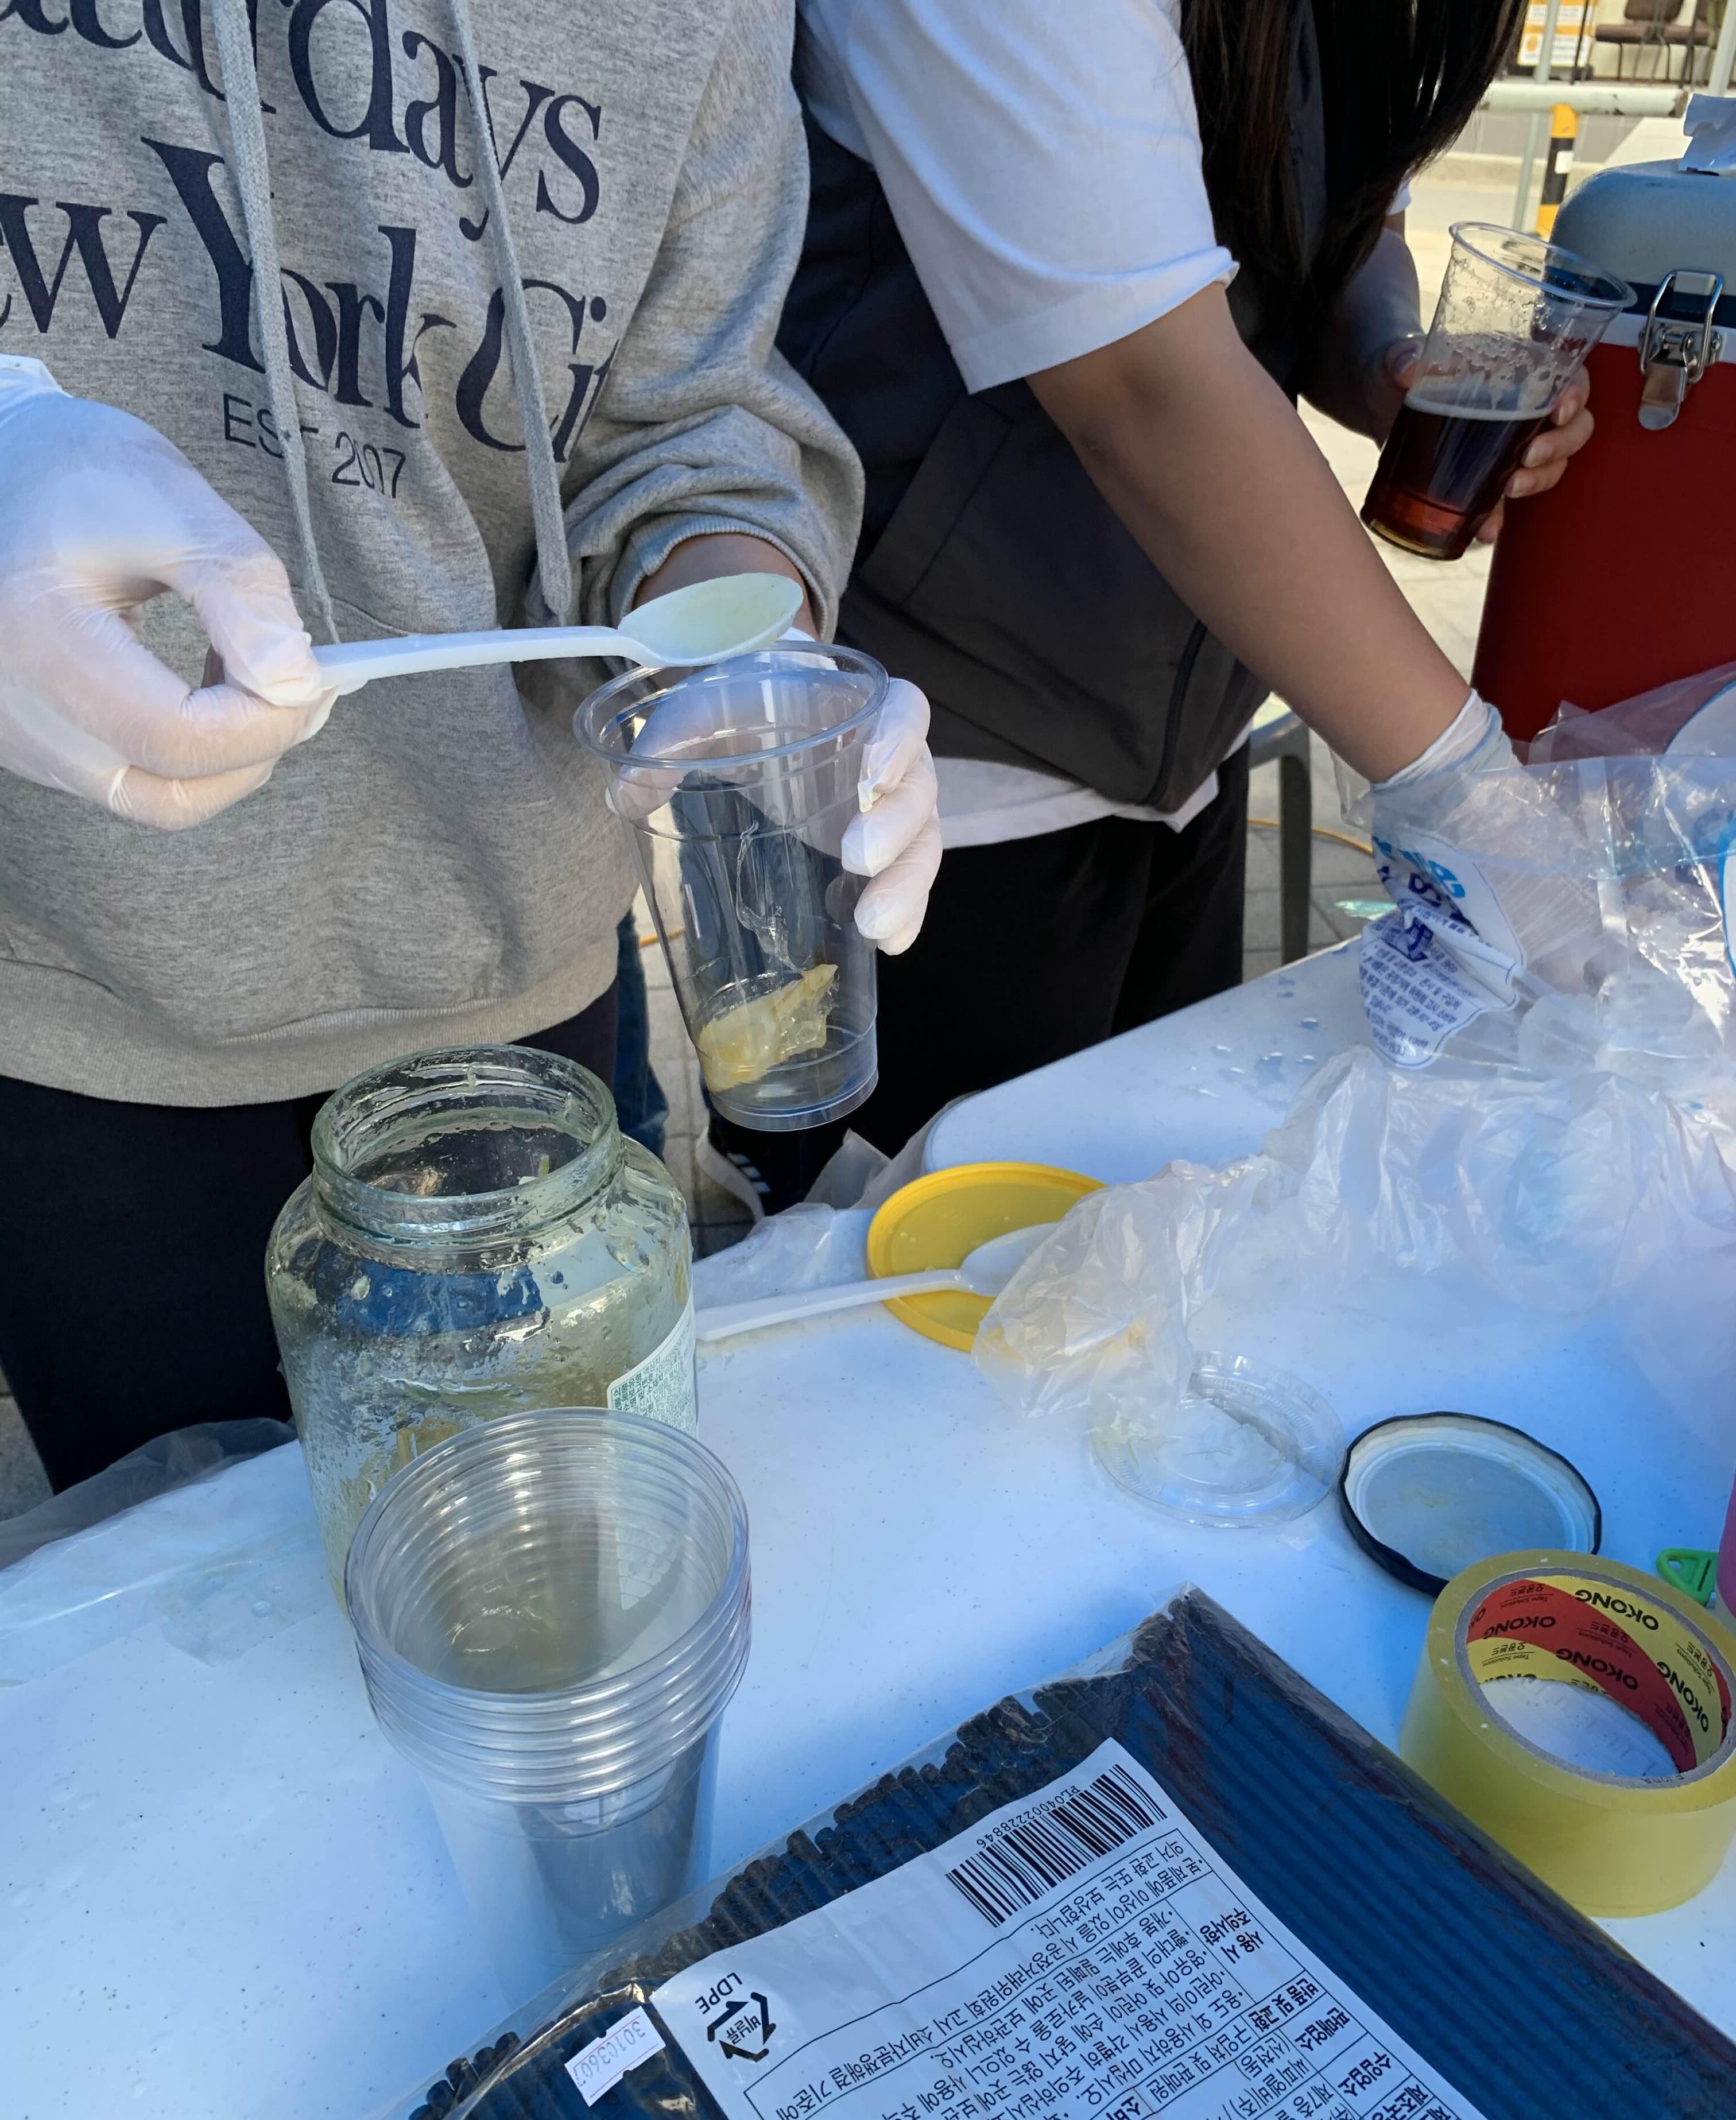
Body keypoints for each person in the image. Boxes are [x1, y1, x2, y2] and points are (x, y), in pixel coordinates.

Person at [0, 0, 942, 1491]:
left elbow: (688, 422)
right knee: (200, 1575)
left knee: (549, 1511)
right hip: (70, 987)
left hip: (514, 956)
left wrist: (741, 636)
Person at [698, 0, 1585, 1212]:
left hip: (1188, 731)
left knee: (1144, 1228)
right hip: (933, 756)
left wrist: (1389, 358)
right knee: (915, 1250)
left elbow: (1345, 215)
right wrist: (1466, 789)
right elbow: (1141, 384)